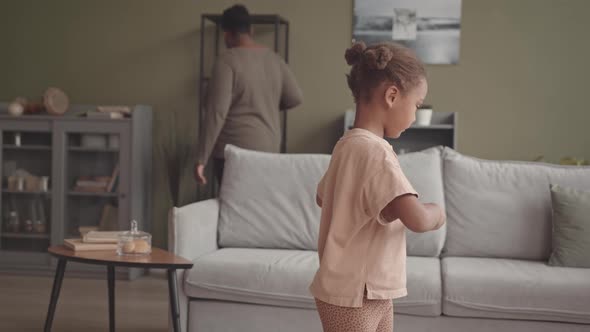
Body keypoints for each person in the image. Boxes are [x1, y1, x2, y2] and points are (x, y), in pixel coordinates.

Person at [309, 41, 446, 332]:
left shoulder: (346, 144)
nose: (414, 116)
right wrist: (438, 213)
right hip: (357, 293)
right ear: (393, 96)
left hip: (366, 291)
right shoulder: (376, 152)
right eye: (417, 105)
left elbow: (324, 198)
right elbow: (418, 219)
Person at [195, 4, 303, 185]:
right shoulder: (274, 59)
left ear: (226, 34)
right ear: (251, 30)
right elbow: (296, 97)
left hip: (234, 154)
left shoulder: (227, 61)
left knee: (234, 210)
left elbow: (216, 112)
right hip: (269, 152)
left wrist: (201, 159)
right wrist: (266, 103)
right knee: (260, 208)